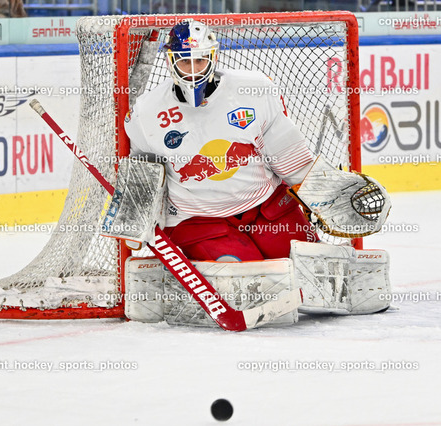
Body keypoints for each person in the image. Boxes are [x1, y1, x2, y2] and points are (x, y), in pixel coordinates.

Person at [124, 19, 318, 262]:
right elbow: (144, 172)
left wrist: (320, 195)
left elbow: (287, 152)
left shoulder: (254, 89)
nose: (194, 70)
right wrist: (135, 218)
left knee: (309, 270)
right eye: (185, 61)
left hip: (265, 207)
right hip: (198, 220)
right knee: (247, 286)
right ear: (171, 61)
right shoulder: (146, 112)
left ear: (213, 57)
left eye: (200, 60)